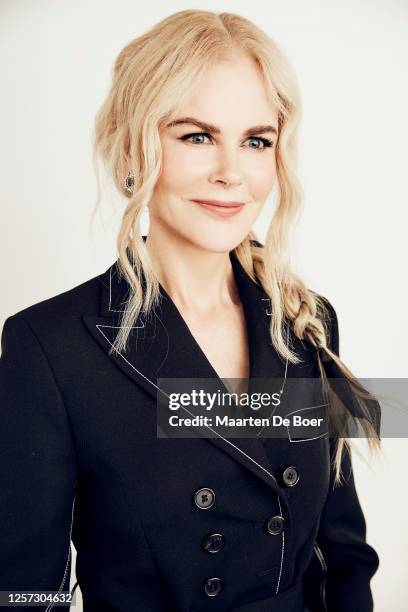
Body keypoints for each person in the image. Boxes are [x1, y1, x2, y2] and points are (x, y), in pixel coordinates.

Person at [0, 9, 381, 612]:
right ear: (132, 148)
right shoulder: (48, 348)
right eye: (196, 136)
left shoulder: (307, 321)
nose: (231, 173)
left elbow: (344, 555)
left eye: (256, 141)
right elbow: (24, 592)